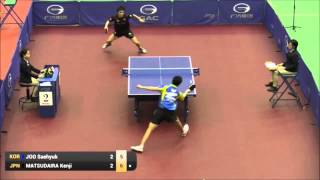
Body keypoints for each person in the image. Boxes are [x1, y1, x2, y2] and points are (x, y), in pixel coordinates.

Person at [131, 76, 196, 153]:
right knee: (177, 121)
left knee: (150, 128)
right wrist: (188, 90)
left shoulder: (165, 88)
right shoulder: (178, 93)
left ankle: (141, 146)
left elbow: (153, 88)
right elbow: (182, 97)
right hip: (171, 112)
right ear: (179, 84)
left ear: (172, 81)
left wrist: (142, 87)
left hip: (160, 111)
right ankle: (183, 131)